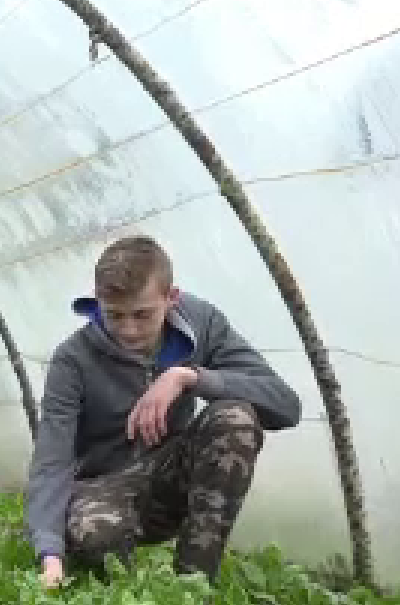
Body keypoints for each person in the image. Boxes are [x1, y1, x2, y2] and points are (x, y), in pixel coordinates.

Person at [24, 236, 301, 587]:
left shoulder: (204, 325)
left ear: (171, 298)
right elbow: (53, 460)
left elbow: (286, 405)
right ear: (98, 302)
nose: (128, 329)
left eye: (142, 315)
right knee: (92, 536)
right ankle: (107, 561)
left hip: (168, 478)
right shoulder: (72, 360)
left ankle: (194, 583)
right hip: (102, 488)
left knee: (235, 419)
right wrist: (49, 553)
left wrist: (188, 377)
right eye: (115, 315)